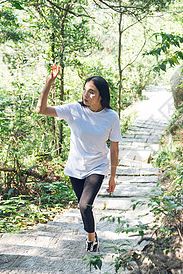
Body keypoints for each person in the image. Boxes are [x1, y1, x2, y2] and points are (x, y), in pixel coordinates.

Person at [35, 64, 121, 252]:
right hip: (75, 169)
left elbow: (114, 148)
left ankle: (91, 238)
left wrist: (113, 176)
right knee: (84, 207)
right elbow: (40, 109)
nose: (85, 94)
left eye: (91, 92)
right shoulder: (74, 110)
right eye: (85, 90)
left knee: (84, 205)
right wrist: (49, 82)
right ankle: (92, 233)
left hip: (97, 167)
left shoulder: (111, 117)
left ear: (101, 96)